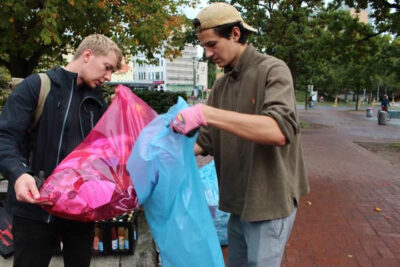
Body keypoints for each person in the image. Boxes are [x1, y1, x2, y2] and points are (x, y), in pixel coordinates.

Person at [170, 3, 309, 266]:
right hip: (237, 204)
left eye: (212, 45)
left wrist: (206, 114)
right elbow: (205, 141)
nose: (208, 54)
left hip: (268, 201)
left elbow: (278, 130)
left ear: (235, 34)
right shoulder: (222, 85)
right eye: (204, 47)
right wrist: (164, 153)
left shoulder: (273, 70)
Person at [0, 34, 122, 267]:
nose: (108, 77)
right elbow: (5, 137)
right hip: (34, 210)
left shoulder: (96, 100)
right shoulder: (37, 86)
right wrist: (19, 173)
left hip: (81, 211)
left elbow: (104, 151)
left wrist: (118, 115)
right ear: (87, 55)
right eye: (107, 68)